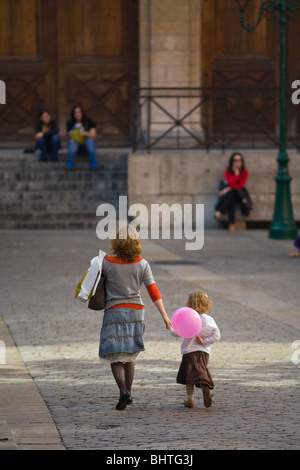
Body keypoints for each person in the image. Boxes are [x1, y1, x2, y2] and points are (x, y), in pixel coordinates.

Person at [99, 225, 172, 410]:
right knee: (130, 355)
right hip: (136, 312)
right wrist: (164, 315)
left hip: (114, 311)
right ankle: (129, 394)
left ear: (116, 242)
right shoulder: (142, 264)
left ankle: (123, 391)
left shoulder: (106, 262)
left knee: (115, 355)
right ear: (136, 242)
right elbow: (153, 291)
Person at [170, 290, 220, 409]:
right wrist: (205, 342)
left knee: (189, 376)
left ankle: (190, 400)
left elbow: (176, 332)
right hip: (204, 351)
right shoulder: (209, 320)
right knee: (200, 369)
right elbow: (217, 335)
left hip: (189, 350)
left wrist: (170, 327)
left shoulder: (188, 318)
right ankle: (205, 387)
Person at [215, 152, 250, 231]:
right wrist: (235, 174)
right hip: (231, 196)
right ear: (231, 161)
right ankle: (232, 224)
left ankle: (219, 211)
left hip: (240, 195)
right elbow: (230, 182)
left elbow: (241, 185)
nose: (237, 162)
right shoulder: (228, 171)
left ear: (242, 162)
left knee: (232, 192)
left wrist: (228, 189)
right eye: (235, 160)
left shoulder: (244, 172)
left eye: (239, 160)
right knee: (232, 199)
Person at [65, 105, 99, 170]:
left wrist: (85, 133)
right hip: (76, 148)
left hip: (87, 147)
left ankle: (94, 164)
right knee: (72, 142)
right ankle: (70, 164)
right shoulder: (70, 123)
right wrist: (76, 130)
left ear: (82, 113)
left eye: (79, 112)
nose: (77, 114)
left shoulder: (88, 121)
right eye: (75, 112)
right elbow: (70, 134)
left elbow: (94, 135)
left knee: (90, 141)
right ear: (73, 114)